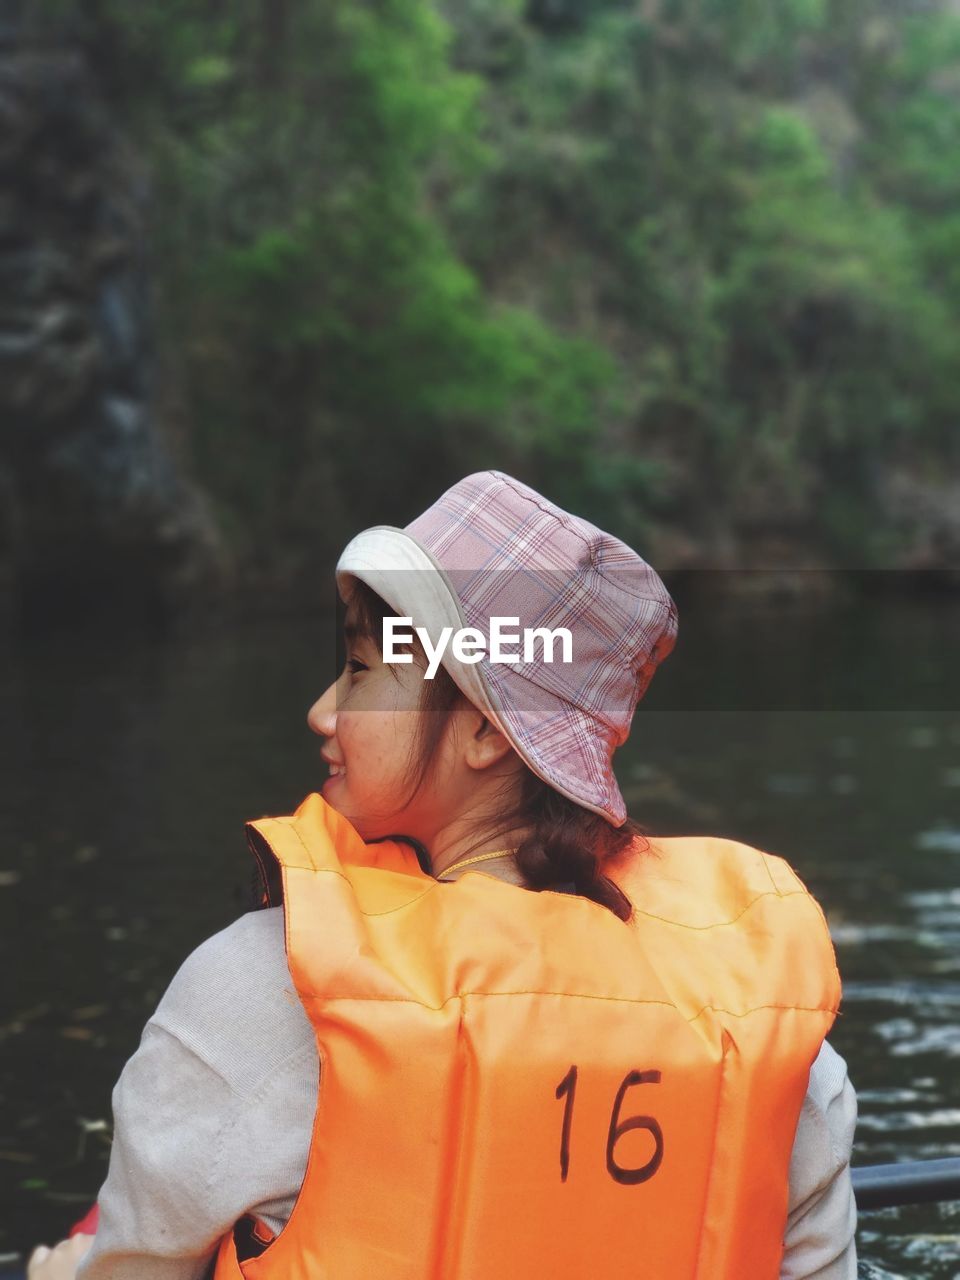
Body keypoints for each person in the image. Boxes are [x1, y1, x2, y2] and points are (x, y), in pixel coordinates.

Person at [31, 470, 857, 1279]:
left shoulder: (265, 992)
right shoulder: (772, 1031)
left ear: (484, 732)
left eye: (361, 671)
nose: (323, 711)